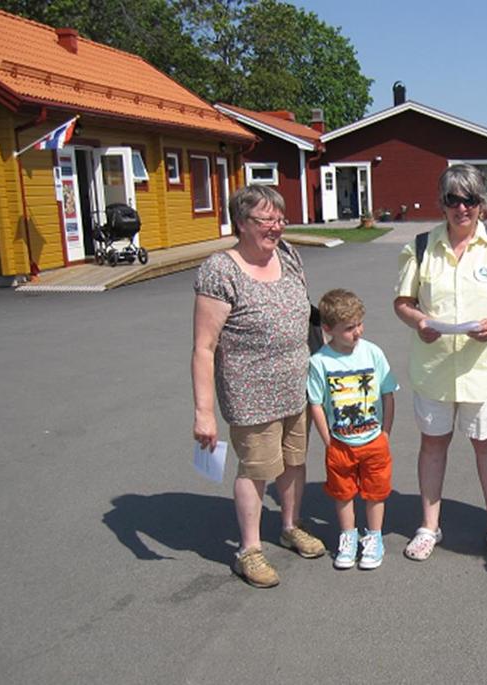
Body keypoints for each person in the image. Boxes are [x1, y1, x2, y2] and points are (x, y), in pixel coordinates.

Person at [192, 185, 325, 589]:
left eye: (280, 219)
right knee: (256, 469)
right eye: (267, 220)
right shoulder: (220, 269)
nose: (276, 228)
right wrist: (203, 412)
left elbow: (309, 317)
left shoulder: (287, 255)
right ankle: (249, 549)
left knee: (294, 461)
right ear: (241, 223)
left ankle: (290, 525)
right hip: (250, 392)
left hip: (296, 386)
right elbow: (203, 347)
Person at [393, 164, 487, 563]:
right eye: (453, 199)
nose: (462, 208)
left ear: (481, 205)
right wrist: (419, 321)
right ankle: (428, 526)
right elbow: (403, 302)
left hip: (482, 371)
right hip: (433, 368)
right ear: (443, 204)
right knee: (433, 446)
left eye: (470, 199)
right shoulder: (419, 246)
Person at [307, 289, 398, 570]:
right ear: (328, 329)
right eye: (348, 328)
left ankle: (374, 537)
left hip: (374, 441)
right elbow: (316, 404)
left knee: (375, 492)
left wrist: (386, 433)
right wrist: (328, 441)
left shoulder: (373, 353)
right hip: (340, 443)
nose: (357, 331)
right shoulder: (320, 362)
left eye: (359, 324)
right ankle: (348, 535)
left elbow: (388, 393)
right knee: (343, 492)